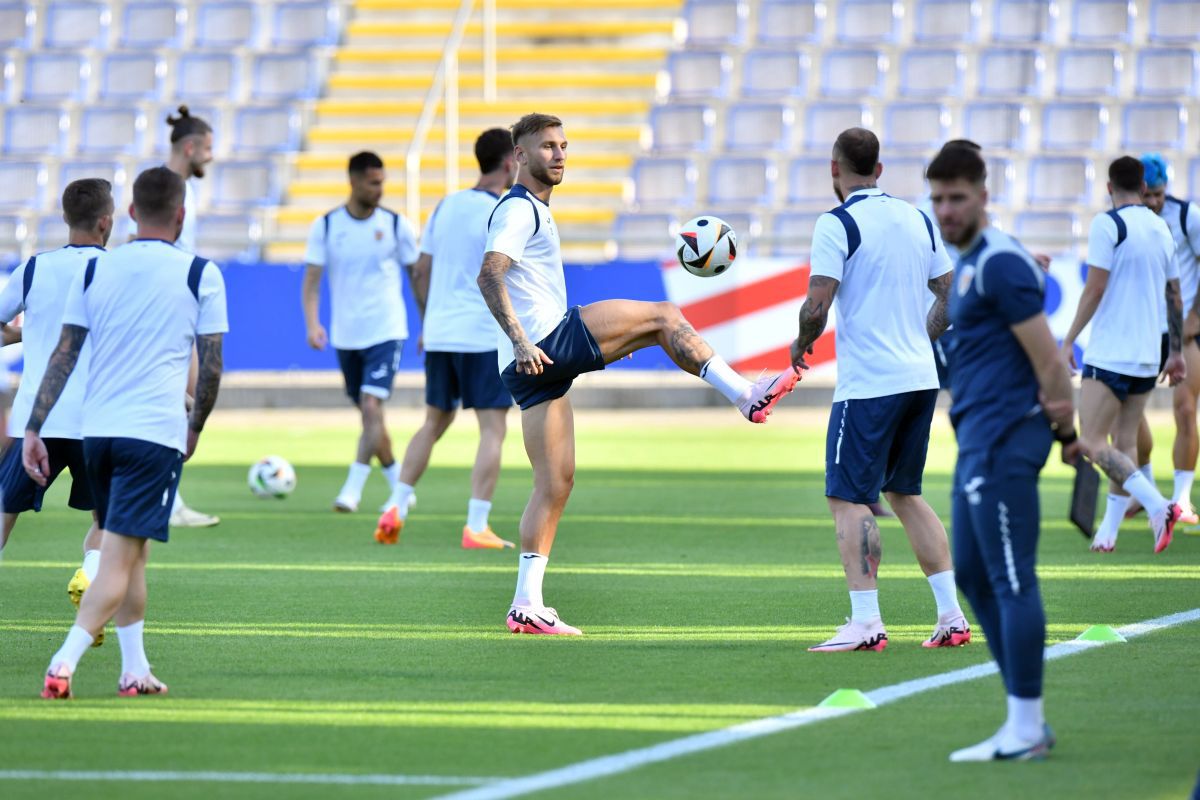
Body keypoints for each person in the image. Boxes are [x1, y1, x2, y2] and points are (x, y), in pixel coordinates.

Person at [478, 113, 798, 635]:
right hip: (543, 342)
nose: (558, 155)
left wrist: (561, 347)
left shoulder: (531, 208)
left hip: (527, 367)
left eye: (563, 145)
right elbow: (490, 274)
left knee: (554, 484)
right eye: (545, 147)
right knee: (664, 316)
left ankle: (525, 604)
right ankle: (746, 394)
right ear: (519, 156)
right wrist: (521, 338)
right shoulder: (518, 210)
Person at [33, 166, 227, 698]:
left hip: (98, 434)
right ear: (181, 215)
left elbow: (64, 353)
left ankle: (134, 668)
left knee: (133, 553)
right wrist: (196, 427)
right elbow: (210, 367)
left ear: (132, 214)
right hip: (152, 434)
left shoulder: (94, 272)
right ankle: (64, 660)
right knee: (120, 556)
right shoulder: (199, 273)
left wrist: (33, 426)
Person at [928, 137, 1080, 763]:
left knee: (1012, 580)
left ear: (983, 197)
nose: (946, 210)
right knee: (970, 574)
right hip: (977, 445)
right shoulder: (969, 263)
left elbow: (1051, 361)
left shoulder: (998, 262)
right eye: (937, 199)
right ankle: (1022, 718)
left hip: (1005, 443)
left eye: (957, 198)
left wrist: (1067, 434)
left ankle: (1027, 726)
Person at [790, 127, 969, 653]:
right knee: (906, 494)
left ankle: (866, 621)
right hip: (920, 377)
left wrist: (800, 346)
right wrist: (921, 336)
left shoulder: (838, 222)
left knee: (847, 498)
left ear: (834, 169)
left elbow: (816, 305)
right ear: (880, 170)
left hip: (869, 384)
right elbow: (951, 294)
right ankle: (952, 616)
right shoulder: (917, 217)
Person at [375, 129, 517, 549]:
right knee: (493, 427)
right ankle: (476, 524)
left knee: (434, 421)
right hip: (481, 334)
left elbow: (420, 270)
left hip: (439, 334)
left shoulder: (446, 205)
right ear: (510, 161)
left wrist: (427, 321)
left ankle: (396, 505)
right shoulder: (504, 211)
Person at [0, 179, 111, 642]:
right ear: (107, 221)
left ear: (65, 218)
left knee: (4, 515)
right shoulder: (119, 271)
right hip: (99, 420)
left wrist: (34, 334)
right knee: (106, 522)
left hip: (36, 421)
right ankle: (90, 573)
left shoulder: (33, 269)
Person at [1060, 156, 1183, 553]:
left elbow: (1095, 288)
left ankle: (1159, 505)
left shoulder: (1107, 223)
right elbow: (1175, 295)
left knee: (1093, 443)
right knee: (1124, 442)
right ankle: (1108, 531)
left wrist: (1069, 339)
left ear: (1109, 188)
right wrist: (1175, 352)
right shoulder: (1161, 227)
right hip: (1148, 354)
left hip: (1111, 352)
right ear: (1145, 189)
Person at [303, 152, 420, 513]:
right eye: (373, 182)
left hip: (386, 331)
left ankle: (351, 489)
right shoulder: (326, 226)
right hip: (346, 335)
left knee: (371, 406)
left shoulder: (397, 225)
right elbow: (311, 281)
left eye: (382, 181)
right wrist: (312, 323)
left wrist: (428, 322)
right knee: (371, 417)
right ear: (353, 181)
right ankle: (402, 487)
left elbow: (417, 277)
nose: (380, 189)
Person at [164, 105, 221, 529]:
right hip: (168, 304)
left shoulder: (185, 189)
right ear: (190, 147)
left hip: (183, 300)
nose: (211, 157)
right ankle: (167, 498)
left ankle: (171, 495)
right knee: (181, 396)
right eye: (207, 149)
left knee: (186, 396)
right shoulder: (162, 188)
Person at [1137, 153, 1200, 524]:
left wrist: (1195, 315)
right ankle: (1144, 491)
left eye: (1159, 195)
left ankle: (1182, 499)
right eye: (1148, 196)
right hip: (1144, 328)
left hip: (1184, 329)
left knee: (1185, 408)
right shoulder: (1125, 224)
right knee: (1127, 416)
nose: (1154, 203)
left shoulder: (1187, 216)